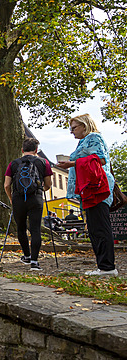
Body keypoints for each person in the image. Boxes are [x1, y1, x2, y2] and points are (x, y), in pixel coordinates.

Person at [57, 113, 117, 276]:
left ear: (85, 125)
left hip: (96, 188)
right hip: (90, 189)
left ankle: (107, 267)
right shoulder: (86, 141)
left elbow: (101, 159)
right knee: (94, 227)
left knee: (100, 227)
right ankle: (103, 265)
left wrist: (72, 163)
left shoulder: (94, 138)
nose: (72, 132)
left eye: (74, 127)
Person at [4, 138, 53, 271]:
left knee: (21, 228)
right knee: (35, 228)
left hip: (18, 198)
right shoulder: (43, 162)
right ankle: (34, 262)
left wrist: (11, 198)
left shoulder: (13, 163)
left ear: (22, 150)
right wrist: (40, 190)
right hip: (35, 198)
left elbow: (7, 185)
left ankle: (26, 255)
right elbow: (48, 184)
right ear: (36, 150)